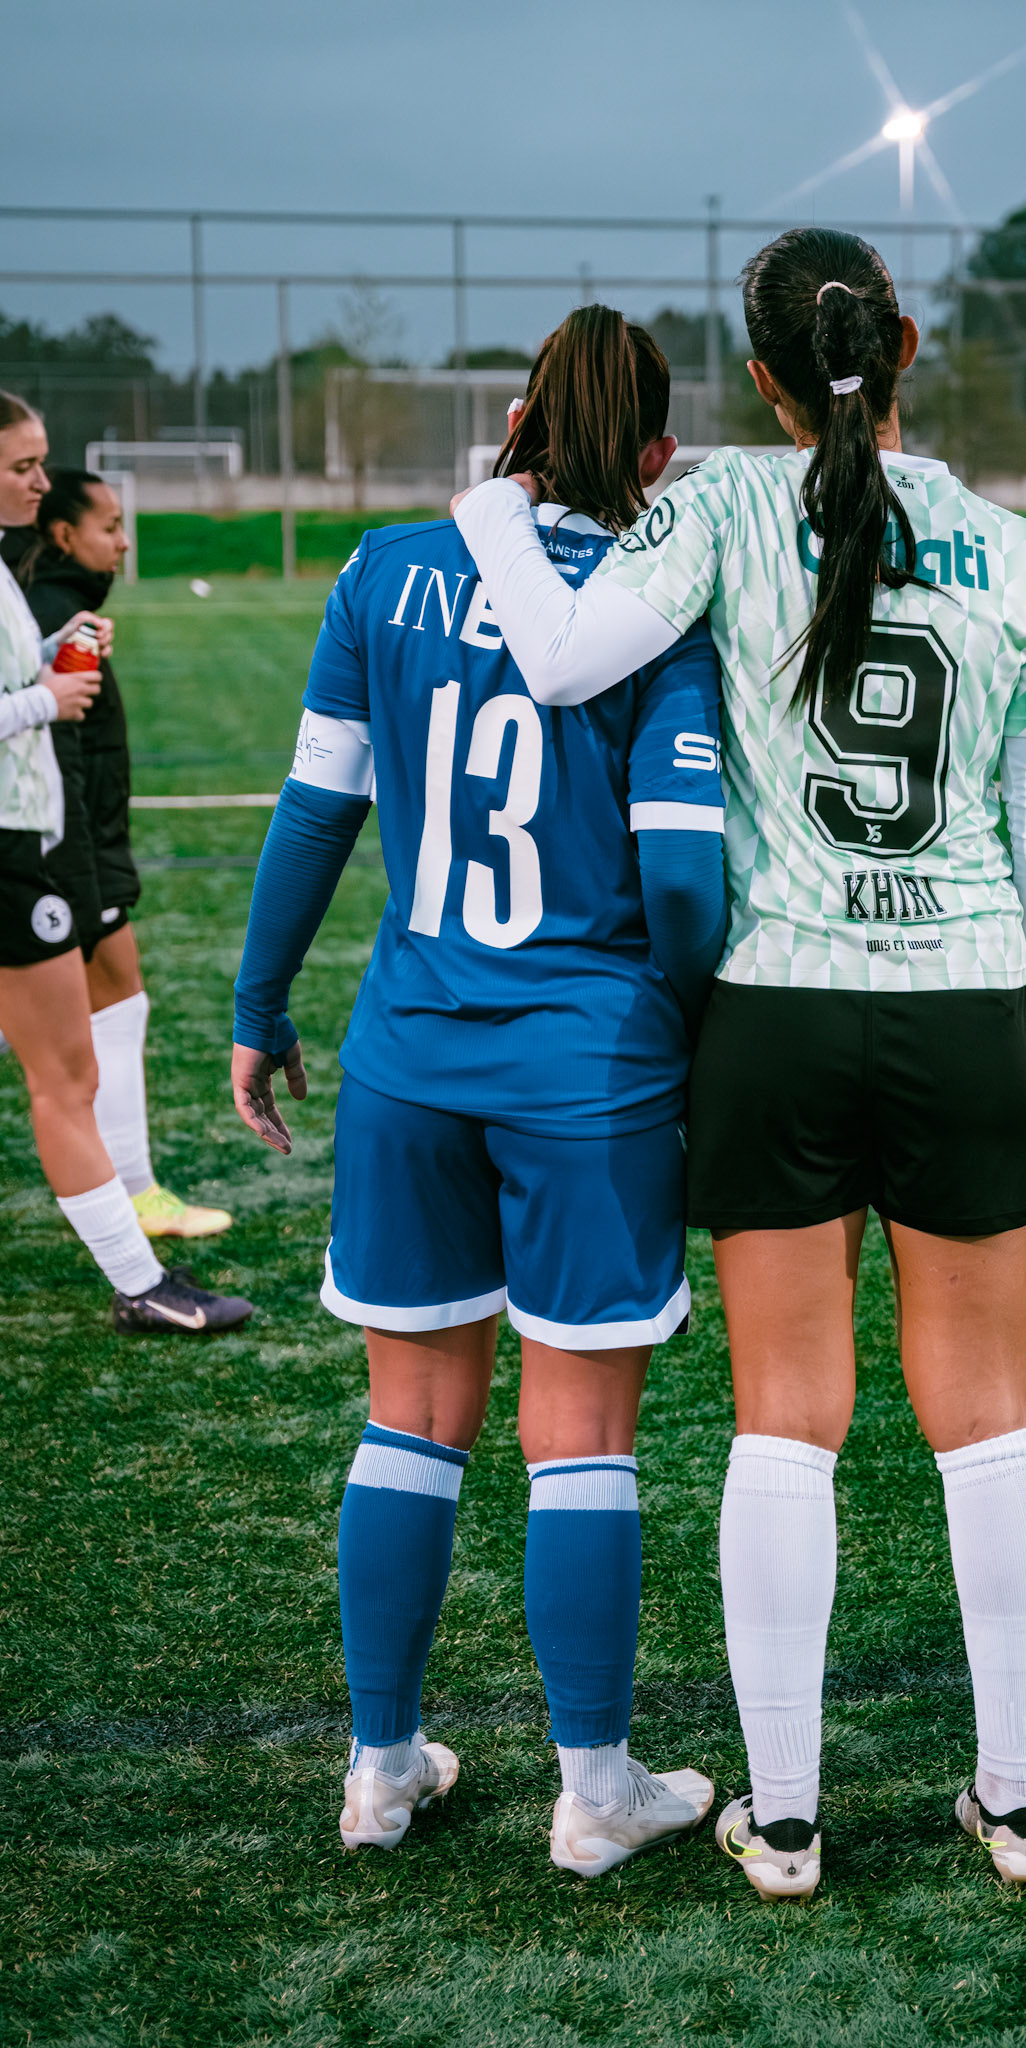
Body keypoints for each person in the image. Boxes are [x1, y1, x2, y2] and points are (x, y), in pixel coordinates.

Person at [452, 227, 1026, 1899]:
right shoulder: (1014, 545)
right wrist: (1004, 1010)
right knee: (988, 1416)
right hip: (964, 999)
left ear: (759, 377)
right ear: (907, 343)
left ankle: (788, 1819)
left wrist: (487, 503)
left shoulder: (725, 501)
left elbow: (561, 656)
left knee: (785, 1421)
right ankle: (1020, 1806)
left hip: (778, 1012)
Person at [231, 307, 726, 1869]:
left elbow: (317, 809)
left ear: (514, 426)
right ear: (657, 456)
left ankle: (380, 1770)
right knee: (578, 1433)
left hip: (410, 1053)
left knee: (411, 1420)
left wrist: (257, 1005)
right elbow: (685, 878)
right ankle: (596, 1792)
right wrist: (695, 1034)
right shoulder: (656, 599)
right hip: (588, 1065)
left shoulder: (383, 570)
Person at [0, 391, 250, 1334]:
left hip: (27, 838)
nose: (40, 481)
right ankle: (142, 1282)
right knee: (65, 1079)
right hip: (16, 846)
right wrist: (45, 699)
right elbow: (30, 705)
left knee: (63, 1068)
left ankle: (141, 1248)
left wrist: (50, 657)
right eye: (23, 465)